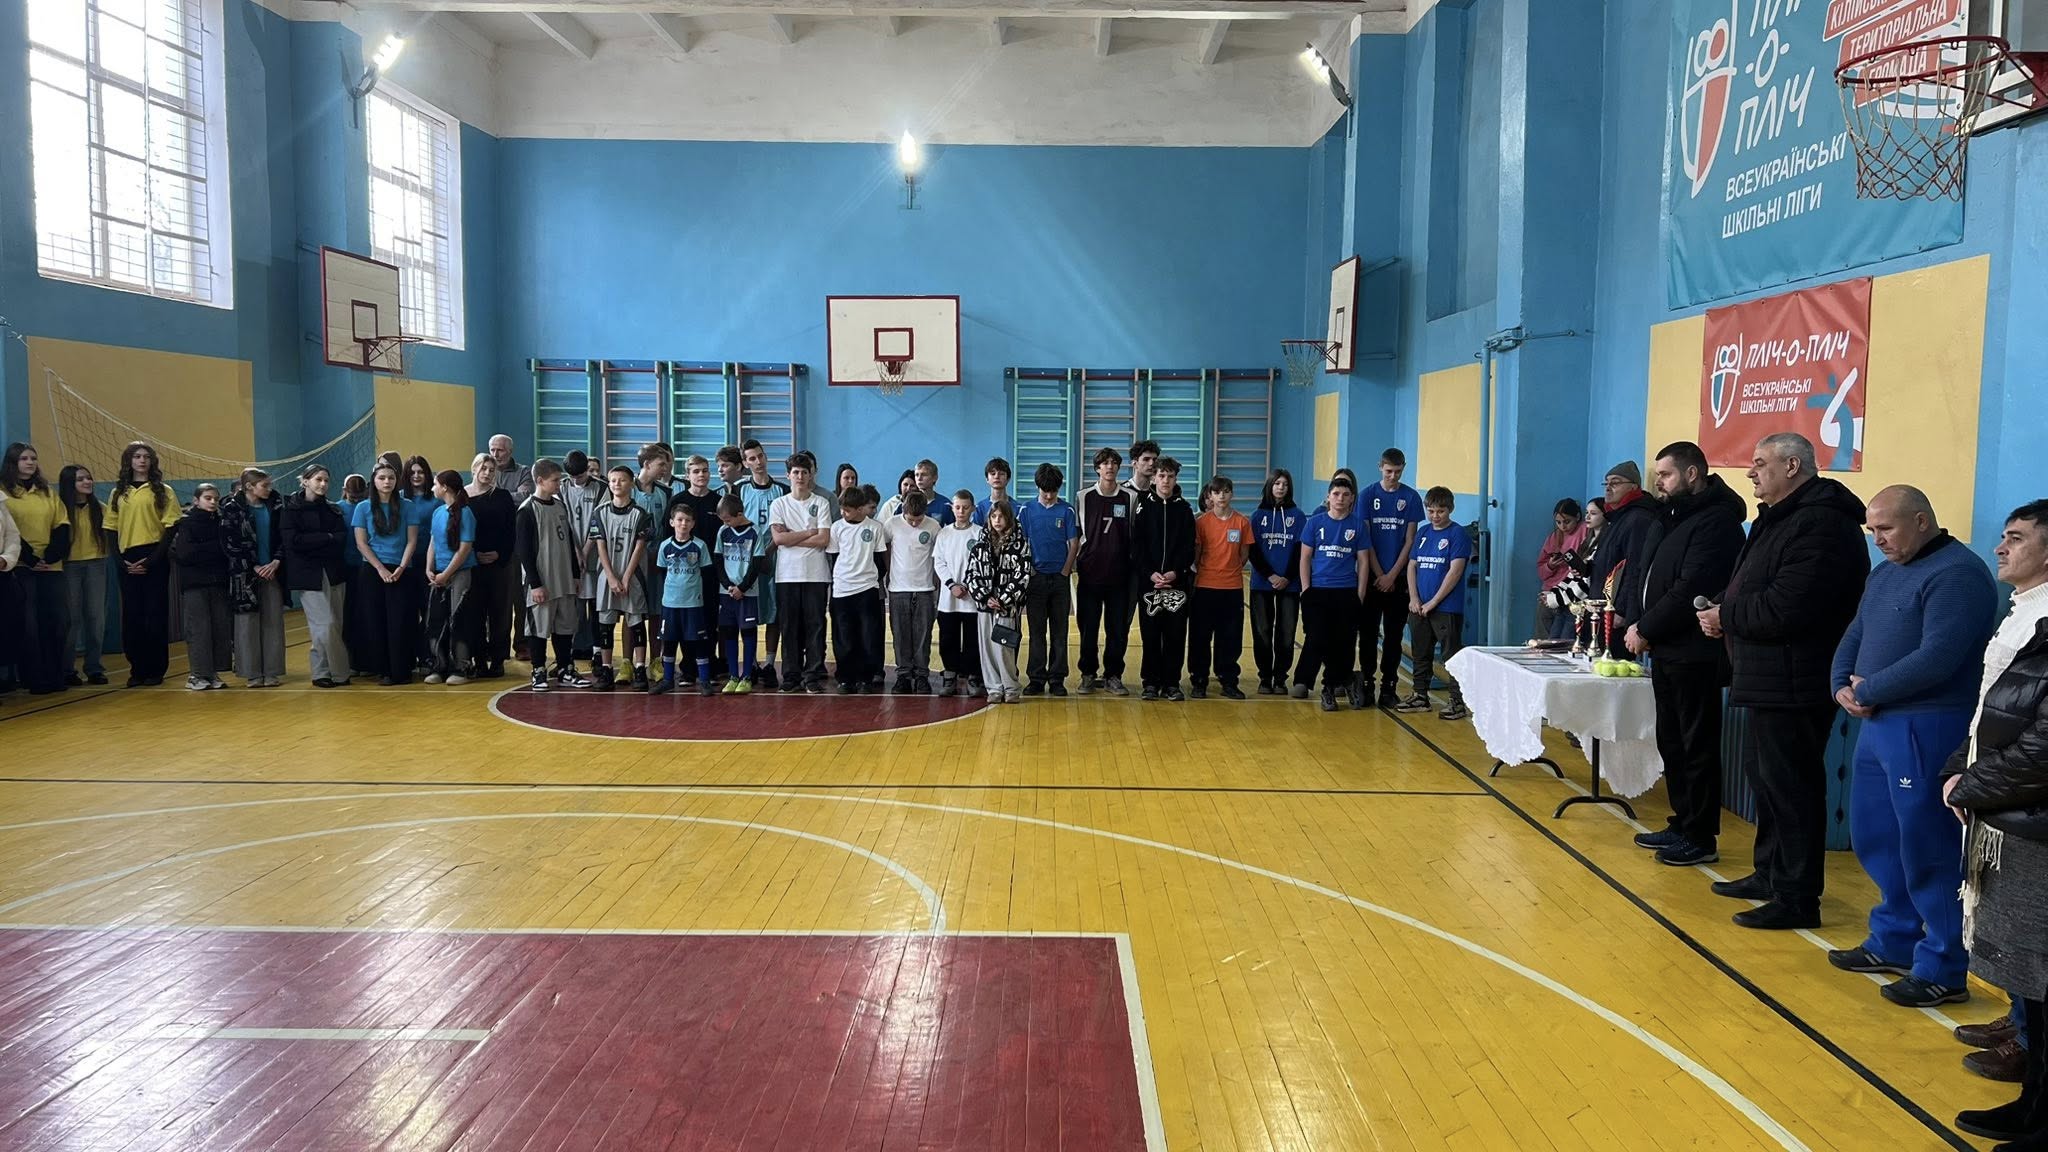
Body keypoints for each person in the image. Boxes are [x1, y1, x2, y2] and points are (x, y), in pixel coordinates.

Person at [1823, 486, 1998, 1006]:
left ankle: (1943, 966)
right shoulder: (1885, 573)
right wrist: (1840, 684)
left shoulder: (1958, 574)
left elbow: (1939, 656)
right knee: (1876, 835)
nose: (1877, 540)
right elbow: (1855, 632)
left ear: (1921, 521)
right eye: (1872, 531)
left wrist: (1868, 690)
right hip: (1878, 724)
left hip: (1928, 724)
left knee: (1928, 845)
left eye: (1887, 529)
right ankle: (1894, 939)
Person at [1698, 432, 1869, 930]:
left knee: (1792, 787)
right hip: (1768, 674)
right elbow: (1754, 587)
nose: (1750, 472)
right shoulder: (1777, 518)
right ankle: (1769, 873)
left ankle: (1797, 897)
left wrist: (1727, 616)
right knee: (1766, 780)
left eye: (1760, 462)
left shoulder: (1822, 523)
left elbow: (1790, 606)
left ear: (1792, 466)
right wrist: (1724, 608)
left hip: (1797, 678)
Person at [1944, 499, 2048, 1149]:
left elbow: (2042, 746)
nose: (2000, 547)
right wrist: (1959, 768)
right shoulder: (2024, 613)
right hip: (2008, 813)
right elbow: (1992, 716)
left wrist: (1972, 786)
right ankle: (2035, 1102)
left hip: (2033, 821)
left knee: (2042, 970)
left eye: (2015, 537)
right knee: (2030, 974)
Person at [1624, 442, 1748, 868]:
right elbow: (1647, 576)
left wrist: (1646, 628)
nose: (1658, 482)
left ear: (1692, 474)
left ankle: (1700, 835)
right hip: (1666, 649)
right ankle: (1681, 821)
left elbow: (1688, 589)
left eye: (1666, 474)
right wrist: (1638, 621)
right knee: (1672, 741)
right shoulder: (1673, 515)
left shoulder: (1717, 522)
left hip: (1694, 651)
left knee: (1697, 744)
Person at [1292, 475, 1369, 711]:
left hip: (1346, 591)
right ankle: (1338, 679)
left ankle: (1330, 687)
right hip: (1318, 590)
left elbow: (1363, 562)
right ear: (1328, 497)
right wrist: (1306, 590)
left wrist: (1359, 595)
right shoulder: (1315, 523)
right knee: (1317, 637)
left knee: (1344, 641)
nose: (1340, 499)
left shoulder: (1358, 526)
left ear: (1352, 498)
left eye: (1345, 495)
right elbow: (1305, 558)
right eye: (1336, 494)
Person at [516, 459, 590, 693]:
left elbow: (569, 543)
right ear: (540, 481)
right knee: (539, 629)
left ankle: (565, 668)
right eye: (555, 480)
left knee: (565, 627)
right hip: (543, 581)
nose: (559, 484)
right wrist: (535, 584)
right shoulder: (527, 510)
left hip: (564, 579)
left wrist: (575, 575)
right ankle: (538, 670)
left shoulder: (559, 506)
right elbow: (524, 552)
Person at [1398, 487, 1472, 720]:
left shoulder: (1457, 534)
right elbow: (1412, 565)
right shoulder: (1423, 532)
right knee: (1421, 653)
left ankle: (1457, 702)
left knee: (1451, 655)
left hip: (1446, 608)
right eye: (1431, 511)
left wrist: (1434, 602)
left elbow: (1455, 571)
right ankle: (1420, 695)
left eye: (1440, 511)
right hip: (1419, 607)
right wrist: (1414, 598)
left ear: (1450, 509)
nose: (1435, 516)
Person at [110, 441, 180, 688]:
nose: (142, 460)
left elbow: (171, 527)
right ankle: (136, 668)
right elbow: (111, 527)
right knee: (132, 616)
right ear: (129, 461)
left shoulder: (163, 491)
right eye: (137, 456)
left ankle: (155, 668)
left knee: (155, 614)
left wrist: (152, 560)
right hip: (127, 558)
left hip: (154, 556)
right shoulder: (118, 492)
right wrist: (120, 561)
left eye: (146, 456)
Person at [2, 443, 69, 696]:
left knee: (57, 621)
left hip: (50, 565)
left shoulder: (47, 491)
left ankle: (55, 674)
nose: (30, 462)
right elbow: (9, 531)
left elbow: (61, 524)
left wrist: (50, 555)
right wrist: (30, 558)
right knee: (29, 625)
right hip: (21, 565)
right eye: (24, 459)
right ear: (13, 462)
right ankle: (34, 677)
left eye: (33, 458)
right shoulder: (4, 492)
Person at [281, 464, 353, 688]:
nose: (323, 484)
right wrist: (326, 538)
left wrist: (317, 540)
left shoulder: (332, 510)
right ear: (305, 481)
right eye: (318, 479)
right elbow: (294, 542)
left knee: (334, 625)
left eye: (326, 480)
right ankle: (338, 671)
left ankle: (322, 671)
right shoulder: (290, 510)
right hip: (308, 575)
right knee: (325, 624)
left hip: (334, 572)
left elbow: (340, 538)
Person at [1361, 449, 1422, 710]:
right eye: (1389, 471)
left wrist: (1393, 575)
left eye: (1398, 471)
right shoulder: (1367, 495)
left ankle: (1389, 686)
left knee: (1394, 636)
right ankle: (1366, 683)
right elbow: (1365, 539)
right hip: (1373, 579)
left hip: (1398, 579)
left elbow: (1410, 540)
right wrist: (1379, 575)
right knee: (1367, 634)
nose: (1393, 476)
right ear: (1380, 467)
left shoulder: (1411, 497)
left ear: (1403, 468)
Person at [1132, 456, 1196, 702]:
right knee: (1150, 635)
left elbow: (1188, 548)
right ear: (1154, 478)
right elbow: (1137, 546)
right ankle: (1150, 682)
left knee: (1175, 635)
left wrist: (1175, 573)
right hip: (1149, 584)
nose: (1165, 480)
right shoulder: (1143, 507)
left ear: (1175, 478)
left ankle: (1171, 683)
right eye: (1161, 476)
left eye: (1170, 476)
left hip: (1176, 585)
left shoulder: (1184, 509)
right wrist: (1150, 573)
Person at [770, 451, 833, 692]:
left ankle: (812, 675)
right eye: (795, 472)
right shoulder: (779, 504)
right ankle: (791, 676)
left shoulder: (821, 503)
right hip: (787, 575)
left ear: (811, 475)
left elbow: (824, 539)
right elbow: (778, 539)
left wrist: (792, 536)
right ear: (788, 475)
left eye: (804, 472)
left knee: (815, 626)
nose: (800, 476)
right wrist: (809, 532)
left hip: (816, 574)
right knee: (789, 627)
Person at [352, 462, 419, 686]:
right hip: (372, 570)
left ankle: (403, 669)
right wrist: (380, 568)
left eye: (391, 477)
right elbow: (361, 543)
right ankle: (383, 670)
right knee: (376, 620)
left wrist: (401, 567)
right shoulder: (363, 508)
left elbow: (412, 540)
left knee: (401, 620)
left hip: (401, 569)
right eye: (382, 478)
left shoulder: (408, 506)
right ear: (374, 481)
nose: (387, 482)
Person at [1076, 448, 1134, 698]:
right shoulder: (1083, 497)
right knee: (1088, 628)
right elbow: (1077, 535)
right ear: (1097, 468)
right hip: (1090, 574)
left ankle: (1113, 675)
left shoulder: (1130, 497)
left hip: (1120, 576)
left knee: (1117, 629)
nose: (1109, 467)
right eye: (1104, 463)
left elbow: (1133, 534)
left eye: (1113, 463)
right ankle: (1088, 673)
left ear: (1119, 467)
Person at [588, 465, 652, 692]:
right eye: (613, 480)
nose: (617, 484)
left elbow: (639, 548)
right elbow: (600, 546)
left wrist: (625, 577)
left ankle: (640, 668)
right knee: (605, 623)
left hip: (632, 576)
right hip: (608, 576)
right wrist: (611, 577)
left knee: (635, 622)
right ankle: (606, 669)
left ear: (631, 483)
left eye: (622, 480)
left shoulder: (641, 514)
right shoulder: (600, 512)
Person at [1018, 463, 1079, 697]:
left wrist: (1065, 571)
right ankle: (1035, 678)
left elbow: (1073, 543)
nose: (1049, 495)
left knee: (1059, 632)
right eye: (1045, 490)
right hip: (1036, 579)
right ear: (1038, 487)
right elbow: (1021, 543)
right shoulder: (1026, 510)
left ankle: (1056, 679)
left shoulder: (1067, 510)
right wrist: (1030, 571)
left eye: (1053, 491)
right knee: (1036, 633)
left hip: (1060, 580)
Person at [1188, 475, 1252, 700]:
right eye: (1217, 492)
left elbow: (1244, 555)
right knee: (1200, 637)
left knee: (1230, 637)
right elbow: (1196, 554)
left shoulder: (1242, 522)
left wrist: (1229, 570)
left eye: (1226, 491)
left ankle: (1228, 680)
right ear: (1210, 496)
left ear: (1231, 494)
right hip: (1205, 586)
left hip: (1232, 588)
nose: (1221, 496)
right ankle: (1199, 680)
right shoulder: (1201, 523)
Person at [224, 468, 287, 688]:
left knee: (273, 621)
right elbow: (230, 543)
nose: (269, 489)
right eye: (264, 485)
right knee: (247, 623)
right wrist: (254, 566)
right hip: (244, 574)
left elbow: (283, 536)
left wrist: (276, 561)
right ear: (249, 486)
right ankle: (252, 672)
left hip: (273, 571)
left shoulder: (276, 506)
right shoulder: (232, 508)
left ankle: (272, 671)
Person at [965, 499, 1031, 704]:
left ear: (1009, 518)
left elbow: (1023, 576)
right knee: (986, 648)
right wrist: (985, 597)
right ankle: (994, 687)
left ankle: (1011, 687)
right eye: (993, 516)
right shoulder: (979, 546)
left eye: (1001, 516)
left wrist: (1003, 599)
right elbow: (971, 575)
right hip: (985, 606)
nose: (997, 520)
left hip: (1007, 607)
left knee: (1004, 648)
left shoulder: (1021, 545)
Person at [827, 485, 889, 693]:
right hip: (842, 589)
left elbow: (879, 558)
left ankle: (866, 678)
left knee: (868, 635)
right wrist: (842, 578)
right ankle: (846, 678)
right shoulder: (837, 528)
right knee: (844, 636)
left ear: (861, 509)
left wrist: (870, 577)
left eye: (847, 510)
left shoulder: (875, 528)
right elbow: (834, 556)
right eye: (842, 509)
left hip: (867, 589)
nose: (843, 513)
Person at [739, 440, 790, 689]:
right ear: (745, 463)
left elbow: (785, 527)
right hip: (746, 561)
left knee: (773, 613)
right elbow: (734, 526)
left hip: (774, 557)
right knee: (748, 614)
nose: (758, 462)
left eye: (760, 456)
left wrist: (767, 552)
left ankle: (769, 664)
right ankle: (751, 663)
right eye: (752, 458)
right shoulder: (739, 489)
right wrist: (754, 556)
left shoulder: (782, 490)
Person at [1248, 470, 1304, 695]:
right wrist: (1270, 575)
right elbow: (1253, 550)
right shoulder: (1257, 516)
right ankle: (1265, 677)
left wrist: (1287, 577)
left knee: (1286, 632)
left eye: (1285, 484)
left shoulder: (1298, 516)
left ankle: (1280, 678)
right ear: (1270, 485)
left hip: (1289, 584)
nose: (1281, 487)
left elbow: (1300, 550)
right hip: (1262, 584)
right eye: (1277, 483)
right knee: (1262, 631)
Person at [171, 483, 231, 691]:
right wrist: (214, 548)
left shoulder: (221, 522)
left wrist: (212, 550)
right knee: (199, 629)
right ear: (196, 500)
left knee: (218, 628)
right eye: (208, 498)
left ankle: (211, 673)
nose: (213, 502)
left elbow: (227, 550)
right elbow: (185, 554)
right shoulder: (186, 523)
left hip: (218, 582)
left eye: (215, 498)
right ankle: (196, 674)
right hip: (195, 584)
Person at [57, 464, 112, 686]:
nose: (87, 482)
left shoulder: (100, 508)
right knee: (71, 619)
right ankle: (67, 669)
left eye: (89, 478)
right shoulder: (60, 508)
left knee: (96, 618)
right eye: (81, 479)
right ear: (69, 483)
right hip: (69, 566)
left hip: (96, 564)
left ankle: (94, 667)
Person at [651, 503, 714, 696]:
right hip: (670, 603)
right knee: (669, 642)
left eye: (687, 520)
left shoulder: (700, 546)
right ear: (672, 522)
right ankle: (668, 680)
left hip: (693, 603)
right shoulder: (665, 546)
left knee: (698, 642)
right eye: (679, 520)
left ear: (693, 523)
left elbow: (707, 573)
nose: (683, 524)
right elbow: (662, 572)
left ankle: (704, 680)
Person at [424, 469, 479, 687]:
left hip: (459, 574)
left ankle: (461, 666)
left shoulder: (466, 513)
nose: (432, 488)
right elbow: (433, 542)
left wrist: (446, 574)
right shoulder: (438, 512)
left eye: (435, 484)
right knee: (437, 620)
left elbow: (464, 549)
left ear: (445, 487)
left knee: (459, 620)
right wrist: (429, 568)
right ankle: (439, 665)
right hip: (438, 574)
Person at [466, 455, 519, 680]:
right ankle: (478, 659)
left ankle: (498, 660)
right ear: (474, 469)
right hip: (471, 563)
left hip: (499, 563)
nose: (487, 473)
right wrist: (473, 554)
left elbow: (511, 530)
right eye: (483, 468)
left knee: (500, 613)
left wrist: (499, 554)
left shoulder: (502, 496)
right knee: (475, 613)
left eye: (491, 469)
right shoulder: (463, 496)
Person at [884, 489, 940, 694]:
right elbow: (885, 549)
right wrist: (890, 571)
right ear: (903, 510)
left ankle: (922, 675)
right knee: (900, 635)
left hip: (925, 589)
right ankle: (903, 675)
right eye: (910, 520)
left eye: (918, 519)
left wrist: (936, 581)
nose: (915, 523)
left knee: (923, 635)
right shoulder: (891, 524)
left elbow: (938, 555)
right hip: (899, 588)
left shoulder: (933, 526)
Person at [1596, 461, 1661, 625]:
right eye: (1606, 483)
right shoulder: (1616, 518)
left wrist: (1621, 610)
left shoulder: (1638, 519)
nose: (1608, 488)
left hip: (1617, 612)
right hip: (1604, 605)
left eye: (1615, 483)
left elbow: (1634, 566)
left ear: (1633, 487)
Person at [933, 490, 985, 698]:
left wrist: (970, 586)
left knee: (973, 639)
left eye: (965, 507)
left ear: (972, 509)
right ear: (952, 508)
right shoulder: (944, 533)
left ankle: (973, 676)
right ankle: (950, 676)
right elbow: (939, 562)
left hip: (972, 599)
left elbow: (982, 563)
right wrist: (951, 585)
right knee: (948, 638)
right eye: (957, 507)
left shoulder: (980, 533)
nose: (961, 511)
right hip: (949, 598)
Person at [713, 494, 765, 694]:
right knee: (729, 632)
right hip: (726, 593)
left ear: (740, 514)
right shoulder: (723, 531)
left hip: (747, 593)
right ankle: (733, 675)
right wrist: (728, 586)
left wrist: (742, 588)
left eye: (728, 520)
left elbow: (756, 564)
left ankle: (747, 676)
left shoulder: (754, 532)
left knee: (748, 632)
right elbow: (718, 561)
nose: (725, 523)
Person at [561, 450, 606, 666]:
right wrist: (575, 551)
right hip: (570, 555)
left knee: (596, 606)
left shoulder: (601, 488)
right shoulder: (561, 487)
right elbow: (562, 521)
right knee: (572, 607)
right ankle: (570, 651)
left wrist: (585, 551)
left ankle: (597, 651)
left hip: (595, 556)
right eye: (573, 476)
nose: (576, 480)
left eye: (580, 476)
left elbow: (599, 521)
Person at [1537, 498, 1588, 641]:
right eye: (1558, 522)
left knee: (1564, 641)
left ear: (1577, 517)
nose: (1563, 526)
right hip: (1550, 591)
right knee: (1544, 640)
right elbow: (1541, 571)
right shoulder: (1554, 537)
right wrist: (1550, 565)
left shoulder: (1585, 530)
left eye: (1567, 521)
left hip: (1571, 595)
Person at [488, 434, 534, 501]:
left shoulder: (523, 472)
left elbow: (524, 497)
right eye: (492, 450)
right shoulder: (484, 472)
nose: (495, 455)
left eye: (500, 450)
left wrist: (495, 497)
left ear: (510, 451)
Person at [975, 458, 1013, 527]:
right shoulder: (980, 508)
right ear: (987, 479)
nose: (996, 476)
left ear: (1008, 479)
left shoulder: (1017, 507)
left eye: (1001, 474)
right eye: (993, 474)